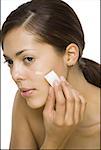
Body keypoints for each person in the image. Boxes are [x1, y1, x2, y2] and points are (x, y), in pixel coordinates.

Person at [1, 0, 100, 149]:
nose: (15, 75)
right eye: (10, 62)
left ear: (70, 55)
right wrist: (53, 141)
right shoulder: (25, 104)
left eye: (28, 59)